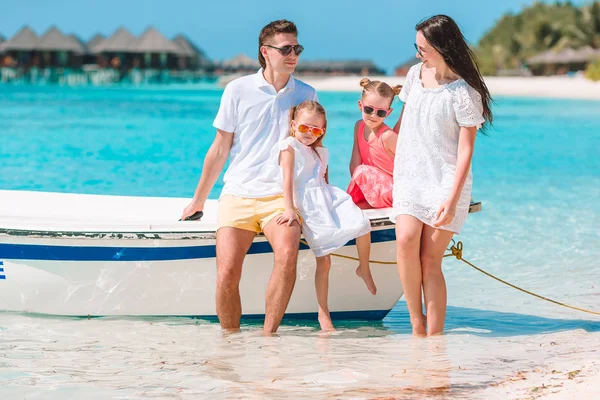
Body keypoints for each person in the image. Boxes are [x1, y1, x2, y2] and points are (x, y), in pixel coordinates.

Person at [180, 20, 317, 334]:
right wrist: (198, 200)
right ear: (265, 52)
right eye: (286, 49)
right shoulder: (237, 89)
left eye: (297, 48)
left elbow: (311, 147)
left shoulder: (307, 93)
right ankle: (231, 342)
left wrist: (320, 194)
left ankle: (269, 337)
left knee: (287, 257)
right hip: (238, 193)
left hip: (280, 198)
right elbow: (219, 149)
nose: (293, 54)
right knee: (227, 273)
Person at [392, 15, 493, 336]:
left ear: (441, 46)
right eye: (417, 46)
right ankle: (415, 323)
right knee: (405, 240)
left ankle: (434, 339)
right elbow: (403, 126)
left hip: (445, 182)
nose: (418, 52)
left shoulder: (464, 92)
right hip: (410, 176)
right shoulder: (413, 75)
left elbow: (465, 151)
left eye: (423, 47)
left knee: (429, 261)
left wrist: (451, 201)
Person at [272, 100, 376, 330]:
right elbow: (287, 180)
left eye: (316, 130)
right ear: (293, 125)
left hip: (326, 198)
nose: (309, 134)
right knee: (325, 258)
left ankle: (364, 268)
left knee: (361, 222)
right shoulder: (289, 147)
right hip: (306, 203)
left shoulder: (321, 152)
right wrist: (289, 208)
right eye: (304, 128)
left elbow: (324, 181)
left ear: (323, 130)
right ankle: (323, 312)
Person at [347, 79, 401, 209]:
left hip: (395, 191)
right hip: (376, 189)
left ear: (388, 113)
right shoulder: (359, 126)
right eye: (369, 109)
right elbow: (355, 160)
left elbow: (409, 166)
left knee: (362, 171)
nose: (373, 115)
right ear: (360, 105)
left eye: (381, 112)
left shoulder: (387, 136)